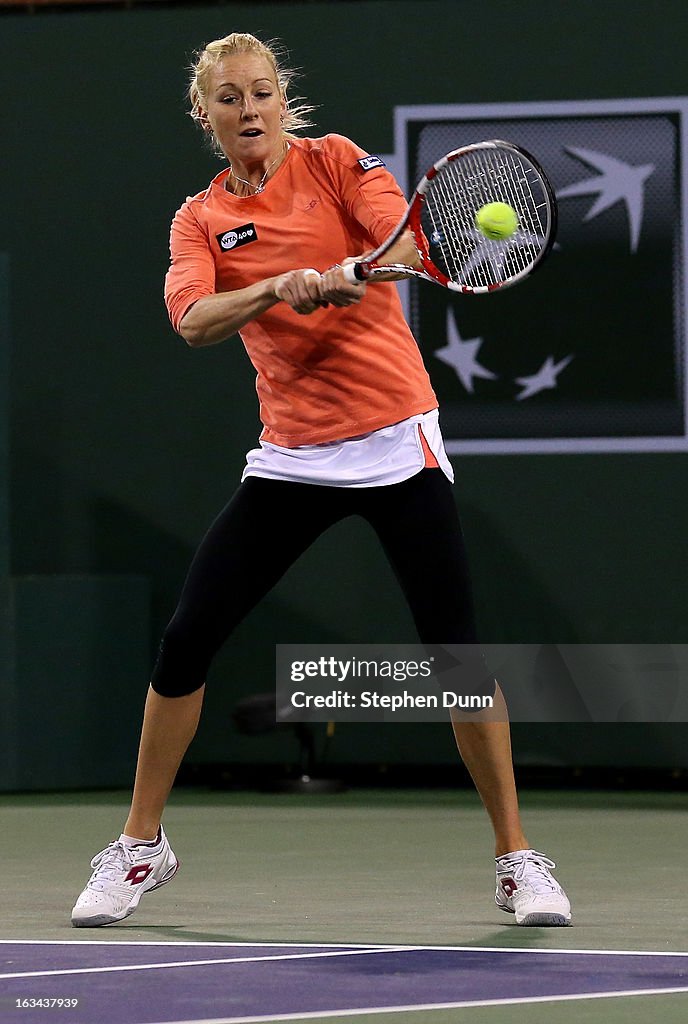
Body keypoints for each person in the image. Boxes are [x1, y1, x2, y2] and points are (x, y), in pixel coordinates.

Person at [71, 32, 571, 929]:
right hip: (295, 456)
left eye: (262, 92)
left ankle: (516, 858)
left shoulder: (338, 162)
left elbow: (406, 240)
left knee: (456, 654)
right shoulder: (198, 221)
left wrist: (357, 269)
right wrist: (275, 287)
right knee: (187, 640)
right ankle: (141, 847)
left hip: (395, 441)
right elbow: (191, 320)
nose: (250, 109)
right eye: (230, 98)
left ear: (281, 99)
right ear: (207, 115)